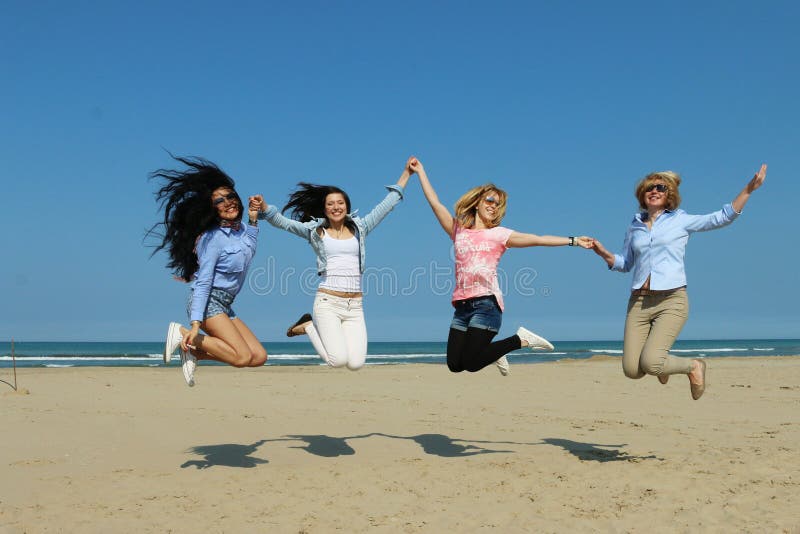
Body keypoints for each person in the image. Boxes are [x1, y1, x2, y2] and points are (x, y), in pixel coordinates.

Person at [591, 164, 767, 399]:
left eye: (660, 188)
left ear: (669, 195)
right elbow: (625, 264)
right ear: (642, 195)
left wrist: (749, 189)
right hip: (639, 302)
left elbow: (722, 218)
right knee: (632, 370)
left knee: (652, 363)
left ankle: (693, 366)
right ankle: (665, 365)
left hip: (671, 300)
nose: (654, 191)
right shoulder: (634, 226)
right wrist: (603, 253)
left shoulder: (681, 220)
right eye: (648, 188)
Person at [409, 157, 593, 376]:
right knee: (454, 364)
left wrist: (573, 240)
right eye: (489, 200)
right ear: (477, 202)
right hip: (461, 307)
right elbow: (435, 203)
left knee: (471, 363)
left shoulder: (499, 235)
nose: (493, 207)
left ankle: (520, 339)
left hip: (486, 305)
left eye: (497, 204)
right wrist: (420, 171)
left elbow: (537, 238)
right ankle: (494, 352)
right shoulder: (458, 231)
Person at [250, 158, 412, 370]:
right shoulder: (316, 232)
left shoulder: (360, 228)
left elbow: (387, 205)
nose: (336, 207)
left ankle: (310, 327)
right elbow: (283, 223)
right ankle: (308, 326)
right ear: (324, 209)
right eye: (330, 204)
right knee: (337, 361)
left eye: (340, 203)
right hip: (328, 302)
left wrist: (406, 174)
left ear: (347, 206)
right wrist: (264, 207)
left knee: (356, 364)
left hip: (355, 305)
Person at [149, 155, 267, 387]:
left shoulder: (242, 230)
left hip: (225, 304)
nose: (228, 202)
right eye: (219, 201)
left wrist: (254, 219)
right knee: (242, 357)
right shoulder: (211, 239)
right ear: (211, 209)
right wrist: (194, 324)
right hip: (207, 302)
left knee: (258, 357)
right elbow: (203, 283)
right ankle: (181, 333)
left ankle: (194, 352)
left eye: (230, 196)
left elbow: (250, 245)